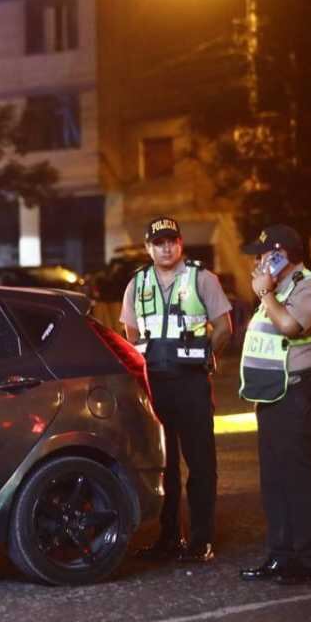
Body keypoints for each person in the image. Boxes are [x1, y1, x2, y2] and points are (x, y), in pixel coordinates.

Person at [121, 217, 232, 563]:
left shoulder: (202, 278)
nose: (166, 248)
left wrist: (207, 357)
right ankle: (169, 537)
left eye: (172, 241)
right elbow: (131, 334)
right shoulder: (137, 283)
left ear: (181, 243)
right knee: (164, 465)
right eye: (159, 242)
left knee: (200, 463)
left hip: (192, 383)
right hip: (155, 385)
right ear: (148, 247)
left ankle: (201, 540)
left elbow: (224, 327)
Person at [237, 224, 311, 585]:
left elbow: (290, 327)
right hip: (273, 395)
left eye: (263, 255)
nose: (258, 263)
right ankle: (281, 556)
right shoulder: (277, 290)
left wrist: (265, 294)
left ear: (281, 255)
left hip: (300, 395)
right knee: (275, 481)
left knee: (300, 480)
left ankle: (309, 561)